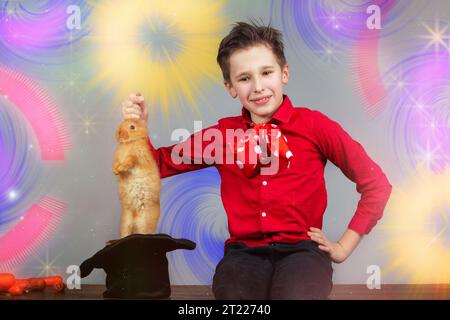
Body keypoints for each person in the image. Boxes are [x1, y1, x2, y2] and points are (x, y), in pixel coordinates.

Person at [121, 21, 392, 300]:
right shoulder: (223, 136)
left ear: (284, 73)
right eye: (244, 78)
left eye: (266, 72)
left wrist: (344, 247)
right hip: (244, 254)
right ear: (230, 87)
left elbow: (376, 185)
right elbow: (154, 165)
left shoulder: (315, 126)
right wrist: (139, 127)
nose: (258, 86)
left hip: (303, 251)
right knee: (235, 296)